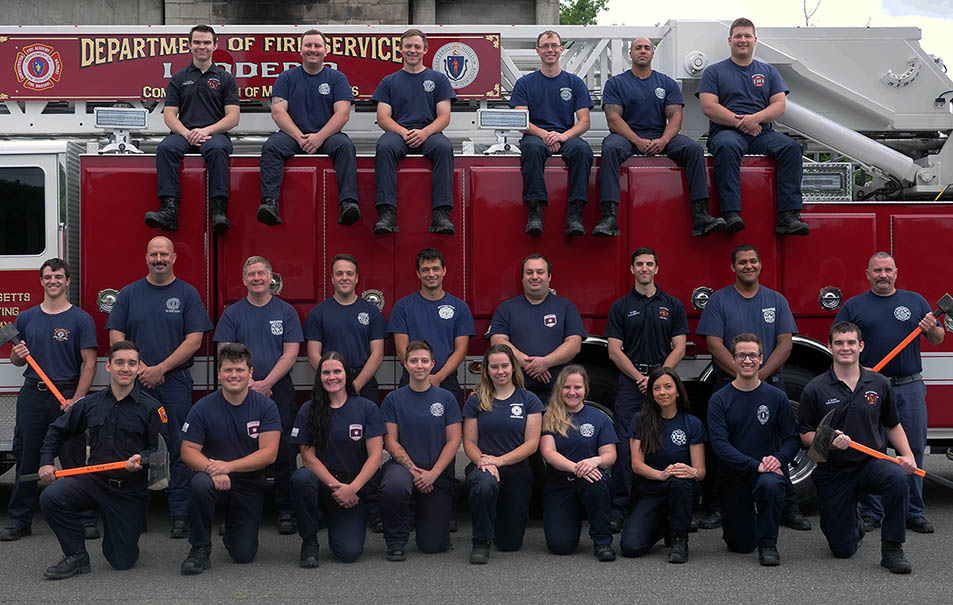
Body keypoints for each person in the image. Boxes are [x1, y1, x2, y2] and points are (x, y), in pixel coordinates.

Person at [695, 243, 810, 531]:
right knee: (722, 447)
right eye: (742, 262)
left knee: (780, 444)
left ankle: (788, 507)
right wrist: (742, 375)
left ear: (760, 265)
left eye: (753, 261)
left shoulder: (776, 300)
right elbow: (713, 343)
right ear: (733, 267)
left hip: (770, 384)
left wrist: (758, 375)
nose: (749, 266)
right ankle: (718, 507)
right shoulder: (719, 301)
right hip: (728, 386)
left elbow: (785, 342)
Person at [106, 236, 213, 539]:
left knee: (180, 447)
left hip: (175, 382)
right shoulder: (129, 294)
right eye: (154, 254)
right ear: (146, 258)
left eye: (164, 254)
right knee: (132, 446)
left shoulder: (187, 294)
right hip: (135, 383)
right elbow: (116, 334)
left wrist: (161, 368)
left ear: (174, 258)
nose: (159, 259)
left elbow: (194, 340)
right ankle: (134, 510)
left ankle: (179, 512)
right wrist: (140, 369)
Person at [834, 252, 944, 535]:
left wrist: (932, 329)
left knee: (914, 449)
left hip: (908, 386)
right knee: (872, 450)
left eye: (888, 270)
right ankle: (873, 511)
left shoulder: (915, 301)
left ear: (896, 273)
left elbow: (938, 337)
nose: (883, 275)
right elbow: (839, 344)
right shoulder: (854, 306)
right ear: (867, 274)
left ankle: (913, 511)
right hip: (872, 387)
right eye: (877, 271)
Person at [37, 341, 165, 579]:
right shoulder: (90, 404)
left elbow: (162, 449)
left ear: (139, 368)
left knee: (122, 561)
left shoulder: (151, 408)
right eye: (119, 363)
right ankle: (76, 557)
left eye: (131, 363)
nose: (125, 368)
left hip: (129, 490)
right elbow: (56, 431)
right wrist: (46, 461)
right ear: (108, 367)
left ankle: (120, 529)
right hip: (94, 482)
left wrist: (143, 458)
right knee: (52, 497)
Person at [798, 321, 918, 574]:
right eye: (839, 343)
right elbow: (805, 435)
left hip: (870, 464)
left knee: (897, 478)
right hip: (833, 472)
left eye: (851, 342)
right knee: (843, 550)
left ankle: (892, 549)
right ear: (829, 346)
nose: (845, 348)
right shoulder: (815, 389)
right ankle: (853, 525)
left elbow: (892, 425)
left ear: (861, 346)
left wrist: (907, 455)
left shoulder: (879, 383)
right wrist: (827, 441)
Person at [2, 258, 98, 542]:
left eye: (58, 276)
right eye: (47, 277)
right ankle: (20, 520)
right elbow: (15, 360)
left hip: (66, 395)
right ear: (41, 281)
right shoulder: (27, 318)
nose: (53, 281)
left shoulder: (81, 319)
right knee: (27, 457)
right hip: (32, 394)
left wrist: (77, 400)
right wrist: (17, 356)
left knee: (73, 459)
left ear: (68, 281)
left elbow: (90, 363)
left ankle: (85, 517)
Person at [213, 256, 303, 534]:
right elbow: (224, 353)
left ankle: (285, 509)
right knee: (239, 447)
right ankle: (237, 510)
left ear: (271, 277)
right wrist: (247, 382)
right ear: (244, 280)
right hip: (241, 391)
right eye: (251, 274)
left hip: (278, 389)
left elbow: (291, 352)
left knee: (285, 449)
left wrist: (267, 382)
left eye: (261, 274)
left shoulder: (286, 311)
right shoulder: (232, 314)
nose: (256, 279)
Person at [695, 17, 809, 236]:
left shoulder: (769, 72)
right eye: (738, 36)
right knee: (727, 147)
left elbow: (779, 105)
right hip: (726, 132)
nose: (743, 40)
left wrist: (755, 120)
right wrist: (743, 123)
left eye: (747, 36)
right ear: (729, 40)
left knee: (791, 148)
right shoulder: (714, 72)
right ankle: (731, 214)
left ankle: (788, 216)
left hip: (761, 133)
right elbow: (709, 107)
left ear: (755, 40)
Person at [600, 38, 724, 238]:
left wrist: (664, 140)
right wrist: (637, 141)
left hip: (660, 135)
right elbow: (613, 119)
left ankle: (701, 215)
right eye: (638, 48)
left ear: (652, 54)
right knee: (610, 148)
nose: (642, 51)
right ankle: (609, 217)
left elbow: (675, 116)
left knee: (693, 149)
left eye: (647, 48)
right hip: (626, 137)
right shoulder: (616, 83)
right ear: (630, 54)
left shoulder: (666, 83)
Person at [605, 247, 688, 531]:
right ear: (632, 270)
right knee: (627, 448)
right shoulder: (620, 307)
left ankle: (670, 506)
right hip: (631, 383)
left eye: (649, 264)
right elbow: (615, 351)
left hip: (662, 381)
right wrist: (640, 378)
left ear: (656, 268)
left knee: (667, 442)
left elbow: (679, 347)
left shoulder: (673, 306)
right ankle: (621, 508)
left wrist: (658, 378)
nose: (644, 268)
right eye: (639, 264)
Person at [179, 343, 281, 574]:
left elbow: (269, 453)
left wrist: (228, 467)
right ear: (219, 373)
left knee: (243, 554)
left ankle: (234, 530)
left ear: (250, 373)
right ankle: (199, 548)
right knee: (199, 484)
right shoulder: (203, 407)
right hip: (213, 479)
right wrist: (212, 468)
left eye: (239, 370)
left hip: (249, 482)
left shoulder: (266, 407)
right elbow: (188, 450)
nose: (233, 375)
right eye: (227, 370)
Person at [707, 334, 799, 566]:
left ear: (761, 358)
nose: (747, 360)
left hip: (767, 472)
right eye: (741, 355)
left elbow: (792, 439)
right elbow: (720, 446)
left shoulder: (776, 397)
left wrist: (777, 460)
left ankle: (768, 544)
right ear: (733, 359)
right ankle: (746, 527)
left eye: (752, 355)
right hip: (734, 475)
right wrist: (754, 465)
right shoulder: (719, 399)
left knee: (771, 485)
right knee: (740, 545)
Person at [289, 352, 384, 567]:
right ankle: (310, 540)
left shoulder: (366, 408)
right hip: (324, 484)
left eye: (337, 371)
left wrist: (352, 488)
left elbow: (376, 455)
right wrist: (336, 487)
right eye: (326, 372)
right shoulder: (309, 409)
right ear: (319, 377)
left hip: (354, 487)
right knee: (301, 479)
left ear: (346, 375)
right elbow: (307, 456)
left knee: (348, 553)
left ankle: (331, 517)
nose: (332, 377)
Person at [258, 29, 359, 227]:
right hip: (293, 136)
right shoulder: (286, 78)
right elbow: (278, 112)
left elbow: (343, 113)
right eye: (308, 45)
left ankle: (348, 202)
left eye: (317, 46)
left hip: (328, 136)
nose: (313, 50)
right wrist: (299, 137)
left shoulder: (337, 78)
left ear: (326, 51)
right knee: (271, 147)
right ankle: (270, 203)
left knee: (346, 146)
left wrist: (319, 137)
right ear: (300, 49)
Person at [146, 24, 239, 233]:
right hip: (184, 134)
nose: (202, 46)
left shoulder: (226, 79)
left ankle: (218, 211)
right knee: (165, 148)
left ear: (216, 45)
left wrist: (206, 131)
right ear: (189, 45)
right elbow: (169, 115)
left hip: (215, 135)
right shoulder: (179, 78)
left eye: (206, 42)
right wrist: (187, 133)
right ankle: (169, 210)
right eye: (197, 42)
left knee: (217, 150)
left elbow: (233, 117)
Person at [379, 340, 462, 561]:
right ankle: (396, 540)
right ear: (405, 365)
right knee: (394, 486)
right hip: (404, 469)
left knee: (433, 545)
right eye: (414, 361)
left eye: (424, 361)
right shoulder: (393, 399)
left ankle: (428, 521)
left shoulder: (446, 398)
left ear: (432, 364)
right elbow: (391, 442)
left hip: (437, 472)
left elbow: (454, 441)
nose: (419, 365)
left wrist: (433, 473)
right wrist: (414, 470)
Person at [462, 344, 543, 564]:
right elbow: (468, 442)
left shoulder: (529, 400)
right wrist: (483, 461)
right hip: (484, 467)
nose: (500, 371)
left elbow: (532, 444)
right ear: (487, 370)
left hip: (516, 469)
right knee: (485, 485)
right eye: (494, 366)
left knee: (509, 544)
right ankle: (481, 542)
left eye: (505, 366)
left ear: (513, 367)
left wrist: (501, 461)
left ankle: (497, 517)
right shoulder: (476, 400)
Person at [511, 30, 595, 237]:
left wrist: (562, 136)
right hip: (535, 135)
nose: (550, 50)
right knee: (531, 149)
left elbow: (584, 122)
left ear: (561, 49)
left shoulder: (575, 83)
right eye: (546, 46)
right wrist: (546, 135)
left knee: (583, 151)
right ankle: (535, 211)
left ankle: (575, 214)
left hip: (566, 135)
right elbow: (521, 121)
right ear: (538, 51)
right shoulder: (525, 83)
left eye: (554, 46)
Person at [372, 28, 456, 235]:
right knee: (384, 147)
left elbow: (444, 116)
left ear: (425, 50)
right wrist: (403, 132)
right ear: (400, 49)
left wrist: (425, 133)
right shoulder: (388, 82)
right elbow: (383, 118)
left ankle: (441, 214)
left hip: (429, 133)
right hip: (398, 133)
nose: (412, 50)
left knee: (445, 148)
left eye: (417, 46)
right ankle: (387, 214)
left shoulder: (439, 79)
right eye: (408, 46)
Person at [621, 368, 705, 563]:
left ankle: (679, 540)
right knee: (630, 547)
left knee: (680, 481)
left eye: (668, 387)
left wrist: (690, 471)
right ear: (651, 393)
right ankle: (666, 525)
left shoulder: (691, 423)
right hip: (653, 488)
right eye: (656, 388)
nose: (662, 392)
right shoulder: (640, 420)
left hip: (683, 490)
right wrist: (661, 474)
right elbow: (636, 465)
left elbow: (701, 472)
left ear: (677, 391)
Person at [540, 365, 618, 561]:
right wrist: (576, 468)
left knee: (596, 480)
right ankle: (572, 517)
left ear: (586, 389)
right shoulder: (549, 417)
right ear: (560, 389)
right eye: (567, 387)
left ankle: (602, 541)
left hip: (591, 482)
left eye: (577, 387)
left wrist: (595, 461)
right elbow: (548, 452)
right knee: (560, 546)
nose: (572, 392)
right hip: (560, 484)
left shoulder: (599, 418)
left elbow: (610, 455)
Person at [488, 253, 584, 405]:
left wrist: (546, 362)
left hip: (557, 390)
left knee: (554, 429)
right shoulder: (506, 308)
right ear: (522, 278)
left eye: (540, 272)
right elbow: (498, 341)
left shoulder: (566, 307)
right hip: (518, 388)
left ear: (549, 277)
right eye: (529, 272)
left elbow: (574, 344)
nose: (534, 276)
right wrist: (531, 365)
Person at [388, 248, 474, 405]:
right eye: (425, 270)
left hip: (446, 381)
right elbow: (402, 350)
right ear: (418, 274)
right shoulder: (403, 307)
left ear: (444, 270)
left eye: (436, 268)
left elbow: (461, 350)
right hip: (411, 381)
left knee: (449, 429)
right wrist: (421, 378)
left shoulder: (460, 307)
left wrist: (438, 378)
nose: (431, 274)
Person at [305, 254, 385, 402]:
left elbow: (377, 354)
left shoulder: (371, 312)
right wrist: (334, 380)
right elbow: (313, 354)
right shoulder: (318, 313)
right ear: (332, 278)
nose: (344, 277)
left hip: (364, 384)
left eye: (349, 273)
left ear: (356, 278)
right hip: (330, 384)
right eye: (339, 273)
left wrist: (355, 385)